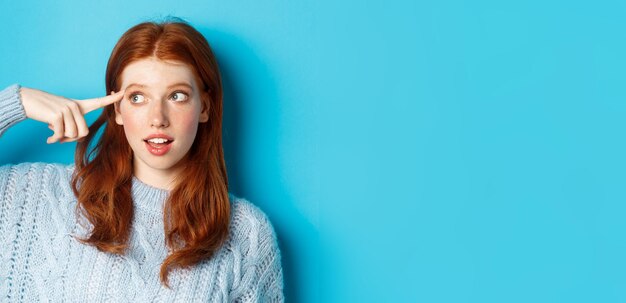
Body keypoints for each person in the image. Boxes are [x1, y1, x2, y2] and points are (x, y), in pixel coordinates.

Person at [0, 18, 284, 302]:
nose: (157, 119)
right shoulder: (37, 193)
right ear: (118, 110)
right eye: (137, 97)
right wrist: (17, 102)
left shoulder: (246, 234)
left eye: (177, 96)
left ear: (205, 107)